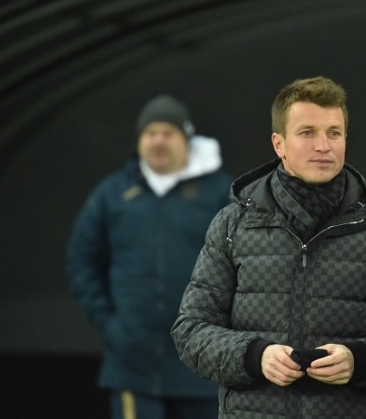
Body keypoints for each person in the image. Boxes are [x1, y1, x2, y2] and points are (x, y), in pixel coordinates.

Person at [170, 76, 366, 418]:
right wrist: (254, 356)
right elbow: (191, 330)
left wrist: (360, 360)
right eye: (307, 132)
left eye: (334, 133)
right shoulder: (232, 225)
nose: (323, 146)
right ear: (278, 143)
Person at [66, 94, 233, 419]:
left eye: (168, 133)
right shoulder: (113, 193)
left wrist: (225, 328)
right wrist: (111, 325)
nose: (158, 140)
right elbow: (81, 260)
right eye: (150, 133)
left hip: (202, 365)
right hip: (133, 366)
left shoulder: (219, 192)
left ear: (186, 140)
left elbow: (245, 262)